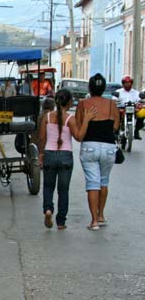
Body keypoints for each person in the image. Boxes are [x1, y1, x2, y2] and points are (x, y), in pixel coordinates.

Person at [38, 89, 96, 230]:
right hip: (65, 156)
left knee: (48, 186)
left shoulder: (47, 117)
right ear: (69, 103)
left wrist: (41, 154)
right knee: (63, 190)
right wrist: (86, 120)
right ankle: (61, 222)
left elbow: (41, 138)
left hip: (49, 154)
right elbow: (79, 136)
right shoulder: (70, 119)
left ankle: (48, 210)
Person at [75, 73, 120, 230]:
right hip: (108, 147)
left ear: (90, 87)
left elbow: (80, 124)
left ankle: (94, 221)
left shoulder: (83, 104)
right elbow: (115, 126)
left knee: (93, 183)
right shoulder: (111, 104)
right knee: (104, 181)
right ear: (104, 88)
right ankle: (101, 215)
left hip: (89, 146)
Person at [115, 75, 144, 140]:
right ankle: (116, 132)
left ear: (131, 83)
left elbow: (140, 99)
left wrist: (140, 103)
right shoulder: (118, 91)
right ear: (123, 83)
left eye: (129, 82)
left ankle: (136, 131)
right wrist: (116, 102)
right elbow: (114, 99)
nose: (127, 84)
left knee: (142, 113)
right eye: (125, 82)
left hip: (133, 109)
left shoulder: (136, 92)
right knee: (115, 115)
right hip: (122, 109)